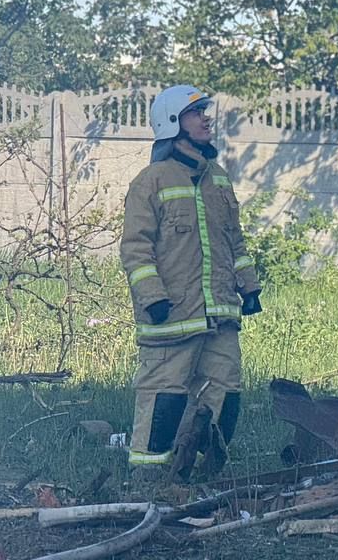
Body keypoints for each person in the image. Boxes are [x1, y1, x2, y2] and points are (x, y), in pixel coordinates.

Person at [120, 84, 262, 479]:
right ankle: (148, 480)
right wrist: (152, 297)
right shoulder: (151, 181)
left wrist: (249, 286)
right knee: (164, 397)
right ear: (172, 122)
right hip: (171, 316)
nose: (206, 118)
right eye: (196, 112)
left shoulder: (218, 178)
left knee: (225, 395)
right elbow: (135, 249)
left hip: (220, 314)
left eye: (204, 111)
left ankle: (200, 477)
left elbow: (234, 241)